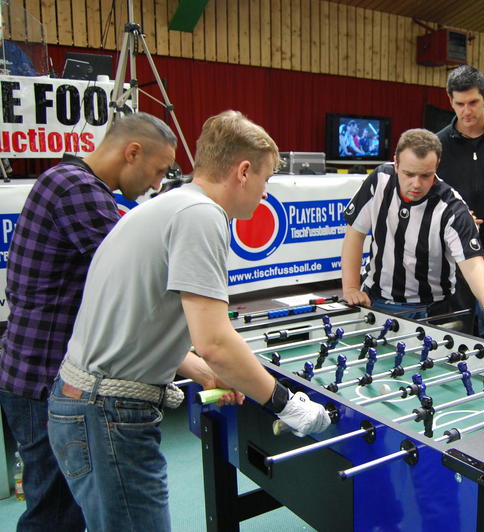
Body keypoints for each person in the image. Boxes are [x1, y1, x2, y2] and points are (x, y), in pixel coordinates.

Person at [47, 111, 331, 530]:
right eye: (266, 179)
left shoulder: (173, 204)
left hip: (86, 403)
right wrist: (285, 403)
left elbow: (141, 320)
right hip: (107, 413)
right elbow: (214, 341)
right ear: (243, 172)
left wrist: (202, 370)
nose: (265, 192)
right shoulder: (201, 215)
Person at [0, 112, 176, 532]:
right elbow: (135, 279)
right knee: (56, 514)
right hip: (41, 380)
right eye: (158, 171)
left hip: (30, 372)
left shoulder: (65, 180)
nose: (157, 184)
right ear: (132, 152)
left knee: (62, 509)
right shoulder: (77, 190)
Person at [341, 128, 484, 347]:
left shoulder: (452, 208)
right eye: (408, 174)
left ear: (437, 166)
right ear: (396, 164)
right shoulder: (380, 179)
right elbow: (355, 233)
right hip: (376, 301)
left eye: (425, 175)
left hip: (431, 311)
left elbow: (473, 265)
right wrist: (351, 288)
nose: (416, 184)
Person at [435, 65, 484, 335]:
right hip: (454, 258)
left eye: (473, 102)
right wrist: (458, 220)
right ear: (450, 101)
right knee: (455, 333)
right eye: (460, 104)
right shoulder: (438, 145)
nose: (467, 111)